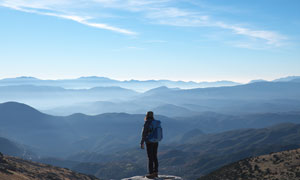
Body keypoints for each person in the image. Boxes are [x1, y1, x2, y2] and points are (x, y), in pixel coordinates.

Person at [141, 111, 159, 179]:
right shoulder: (156, 122)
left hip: (149, 142)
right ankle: (156, 172)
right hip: (156, 141)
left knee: (150, 157)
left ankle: (151, 173)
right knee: (155, 156)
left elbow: (144, 134)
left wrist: (142, 143)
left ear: (147, 115)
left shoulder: (147, 122)